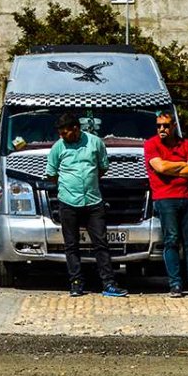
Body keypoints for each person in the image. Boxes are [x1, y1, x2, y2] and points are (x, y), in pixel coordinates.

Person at [45, 113, 128, 298]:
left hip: (93, 202)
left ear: (76, 129)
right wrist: (68, 185)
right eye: (60, 133)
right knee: (71, 245)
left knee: (101, 244)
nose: (62, 136)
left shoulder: (95, 142)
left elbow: (103, 167)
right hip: (68, 202)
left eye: (65, 132)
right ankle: (76, 283)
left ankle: (109, 284)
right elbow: (51, 173)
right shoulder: (58, 148)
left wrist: (89, 182)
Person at [144, 110, 188, 297]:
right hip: (165, 199)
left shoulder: (186, 144)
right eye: (158, 126)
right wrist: (183, 166)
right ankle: (175, 284)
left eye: (166, 125)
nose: (162, 129)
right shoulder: (151, 144)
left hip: (187, 198)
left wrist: (172, 168)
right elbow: (161, 167)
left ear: (174, 126)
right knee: (171, 241)